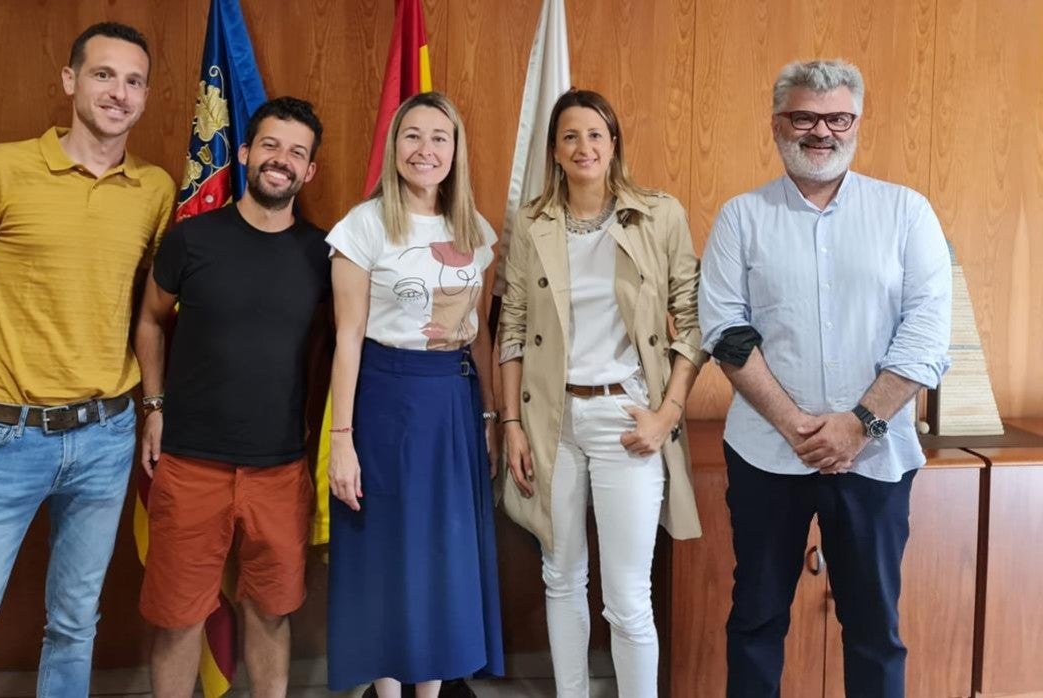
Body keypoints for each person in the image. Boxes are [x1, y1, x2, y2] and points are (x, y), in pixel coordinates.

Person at [0, 22, 175, 697]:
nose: (119, 92)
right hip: (3, 435)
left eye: (134, 80)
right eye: (104, 75)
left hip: (106, 435)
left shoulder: (155, 190)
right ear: (70, 80)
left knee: (76, 623)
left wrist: (147, 409)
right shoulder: (1, 168)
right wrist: (13, 366)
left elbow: (149, 311)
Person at [698, 59, 952, 698]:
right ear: (777, 122)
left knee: (874, 628)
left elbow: (925, 337)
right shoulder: (740, 217)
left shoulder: (906, 213)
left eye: (837, 117)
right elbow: (726, 333)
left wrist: (858, 425)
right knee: (756, 618)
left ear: (857, 122)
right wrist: (796, 426)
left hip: (875, 458)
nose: (822, 131)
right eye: (804, 117)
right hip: (765, 457)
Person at [497, 88, 705, 697]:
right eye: (570, 136)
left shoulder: (657, 214)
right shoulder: (532, 223)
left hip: (627, 419)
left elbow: (691, 322)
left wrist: (666, 415)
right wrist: (511, 425)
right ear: (555, 152)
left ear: (613, 144)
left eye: (595, 134)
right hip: (551, 421)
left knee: (627, 597)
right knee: (560, 579)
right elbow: (509, 329)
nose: (583, 146)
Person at [133, 96, 328, 698]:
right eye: (270, 145)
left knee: (270, 612)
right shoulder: (191, 240)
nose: (282, 160)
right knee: (178, 617)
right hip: (191, 463)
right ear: (244, 153)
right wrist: (155, 407)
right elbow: (148, 322)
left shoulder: (324, 255)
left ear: (310, 171)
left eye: (298, 152)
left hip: (280, 466)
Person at [324, 91, 505, 698]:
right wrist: (341, 440)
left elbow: (479, 336)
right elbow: (347, 338)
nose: (425, 150)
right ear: (393, 147)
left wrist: (488, 414)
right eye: (412, 136)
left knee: (439, 553)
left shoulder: (475, 230)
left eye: (439, 138)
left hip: (451, 404)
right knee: (386, 551)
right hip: (384, 403)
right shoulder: (363, 225)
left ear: (456, 151)